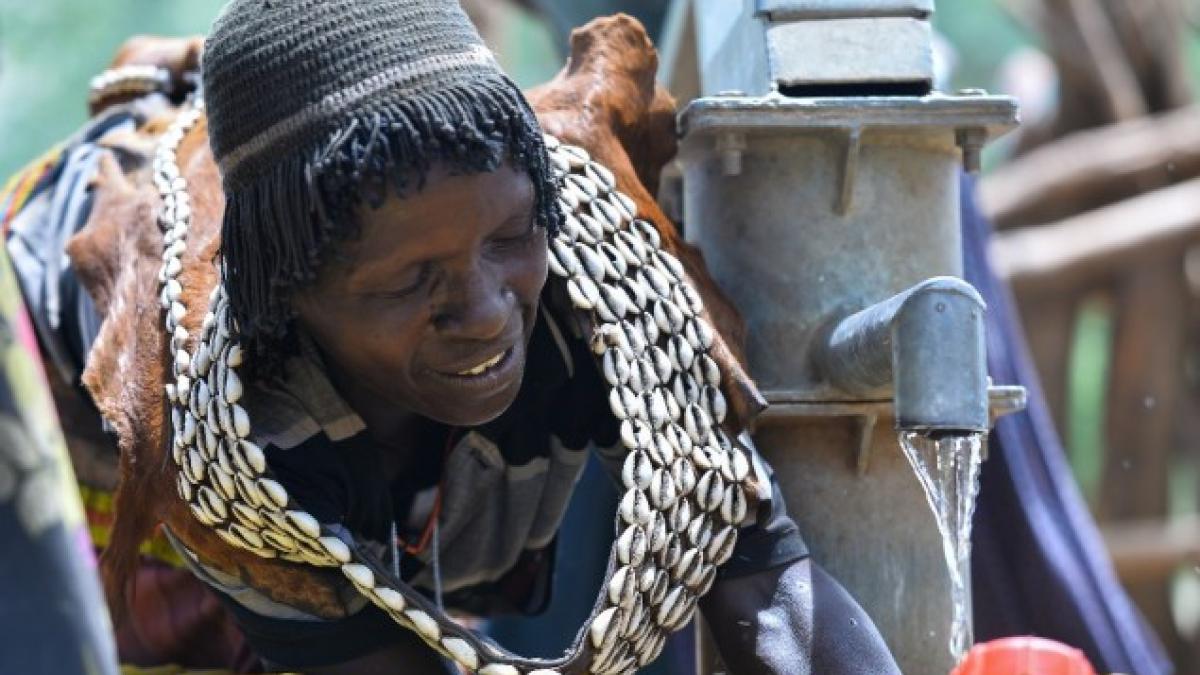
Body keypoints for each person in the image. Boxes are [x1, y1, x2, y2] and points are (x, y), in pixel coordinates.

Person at [22, 1, 902, 672]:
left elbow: (774, 601)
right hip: (96, 488)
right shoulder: (227, 423)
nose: (485, 310)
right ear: (288, 298)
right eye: (411, 280)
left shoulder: (602, 301)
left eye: (511, 237)